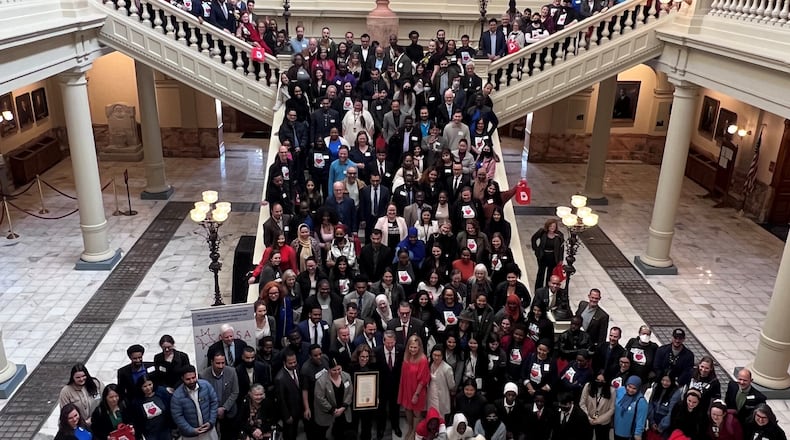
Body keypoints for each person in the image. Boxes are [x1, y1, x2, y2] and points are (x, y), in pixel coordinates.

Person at [171, 365, 219, 439]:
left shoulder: (206, 385)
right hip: (191, 436)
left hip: (209, 431)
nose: (191, 381)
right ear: (182, 379)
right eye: (188, 379)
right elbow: (177, 416)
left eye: (193, 378)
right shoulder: (177, 396)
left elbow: (214, 402)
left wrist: (211, 422)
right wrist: (191, 430)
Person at [200, 352, 240, 439]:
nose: (221, 366)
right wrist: (216, 409)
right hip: (211, 412)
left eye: (223, 363)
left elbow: (235, 392)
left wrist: (224, 408)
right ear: (212, 362)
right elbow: (204, 397)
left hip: (229, 411)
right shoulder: (203, 375)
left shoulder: (232, 371)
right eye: (218, 363)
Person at [399, 334, 431, 440]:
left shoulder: (423, 359)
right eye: (411, 347)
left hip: (417, 390)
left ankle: (414, 431)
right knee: (407, 409)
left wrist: (416, 394)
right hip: (406, 387)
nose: (412, 349)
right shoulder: (406, 356)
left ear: (419, 347)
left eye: (415, 347)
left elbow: (423, 380)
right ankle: (410, 427)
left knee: (416, 412)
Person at [314, 355, 354, 440]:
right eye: (334, 370)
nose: (337, 372)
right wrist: (332, 410)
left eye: (339, 369)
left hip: (343, 412)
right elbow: (320, 398)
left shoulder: (346, 376)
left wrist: (343, 407)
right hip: (328, 414)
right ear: (329, 369)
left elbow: (350, 392)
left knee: (341, 434)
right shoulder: (321, 381)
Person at [376, 330, 404, 439]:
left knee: (395, 409)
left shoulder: (400, 349)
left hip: (396, 387)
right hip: (382, 387)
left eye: (392, 343)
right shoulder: (377, 351)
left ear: (395, 341)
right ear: (383, 341)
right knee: (381, 410)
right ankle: (381, 429)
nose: (390, 345)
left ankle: (395, 426)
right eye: (388, 343)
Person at [131, 375, 171, 440]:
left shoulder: (161, 393)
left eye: (150, 384)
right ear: (140, 387)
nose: (148, 388)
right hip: (149, 434)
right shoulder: (137, 402)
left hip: (165, 431)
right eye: (145, 386)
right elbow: (137, 420)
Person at [530, 218, 564, 290]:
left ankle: (547, 288)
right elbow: (534, 238)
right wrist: (536, 249)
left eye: (554, 226)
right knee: (541, 273)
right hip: (543, 256)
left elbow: (561, 247)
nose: (552, 228)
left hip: (553, 257)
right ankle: (538, 289)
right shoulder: (542, 232)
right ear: (547, 226)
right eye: (551, 226)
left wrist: (561, 259)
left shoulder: (559, 235)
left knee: (550, 274)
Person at [276, 350, 303, 440]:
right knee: (289, 435)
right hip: (289, 412)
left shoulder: (297, 368)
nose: (293, 365)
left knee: (295, 432)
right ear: (284, 362)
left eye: (294, 362)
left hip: (298, 409)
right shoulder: (280, 378)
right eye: (290, 363)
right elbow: (281, 400)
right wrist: (286, 416)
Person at [580, 376, 615, 440]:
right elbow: (582, 404)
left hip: (603, 421)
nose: (600, 383)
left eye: (602, 381)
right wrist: (589, 418)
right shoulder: (588, 386)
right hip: (588, 418)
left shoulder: (612, 390)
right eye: (598, 380)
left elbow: (612, 409)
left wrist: (598, 420)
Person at [647, 374, 681, 439]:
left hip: (665, 422)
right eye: (663, 380)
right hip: (653, 419)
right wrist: (651, 421)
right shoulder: (656, 387)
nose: (665, 383)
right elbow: (650, 404)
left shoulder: (676, 392)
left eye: (668, 381)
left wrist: (661, 427)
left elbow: (671, 412)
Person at [613, 376, 648, 440]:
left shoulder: (641, 402)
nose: (631, 390)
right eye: (629, 386)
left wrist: (637, 434)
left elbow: (641, 421)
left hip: (629, 435)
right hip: (616, 430)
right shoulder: (620, 390)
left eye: (634, 388)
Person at [427, 345, 456, 419]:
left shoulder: (447, 368)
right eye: (435, 355)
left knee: (440, 416)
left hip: (442, 395)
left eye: (439, 355)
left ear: (443, 356)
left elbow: (451, 385)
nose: (436, 357)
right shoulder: (430, 363)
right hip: (430, 393)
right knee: (431, 413)